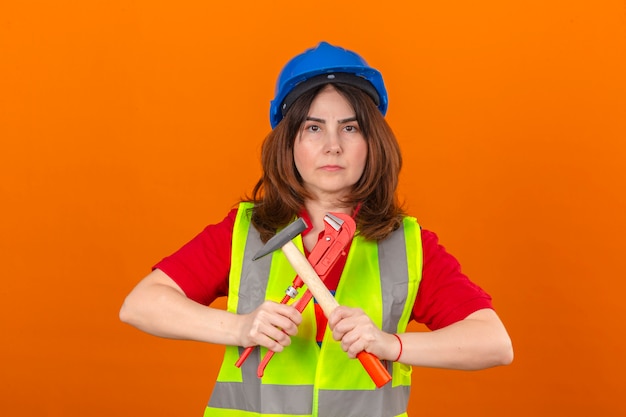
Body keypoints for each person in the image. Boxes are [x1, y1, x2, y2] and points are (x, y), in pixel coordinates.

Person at [120, 41, 513, 417]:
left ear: (372, 142)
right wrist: (240, 327)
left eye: (350, 127)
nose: (332, 146)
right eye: (312, 128)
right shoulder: (245, 231)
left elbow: (494, 343)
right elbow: (141, 305)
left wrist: (389, 344)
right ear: (289, 143)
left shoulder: (407, 245)